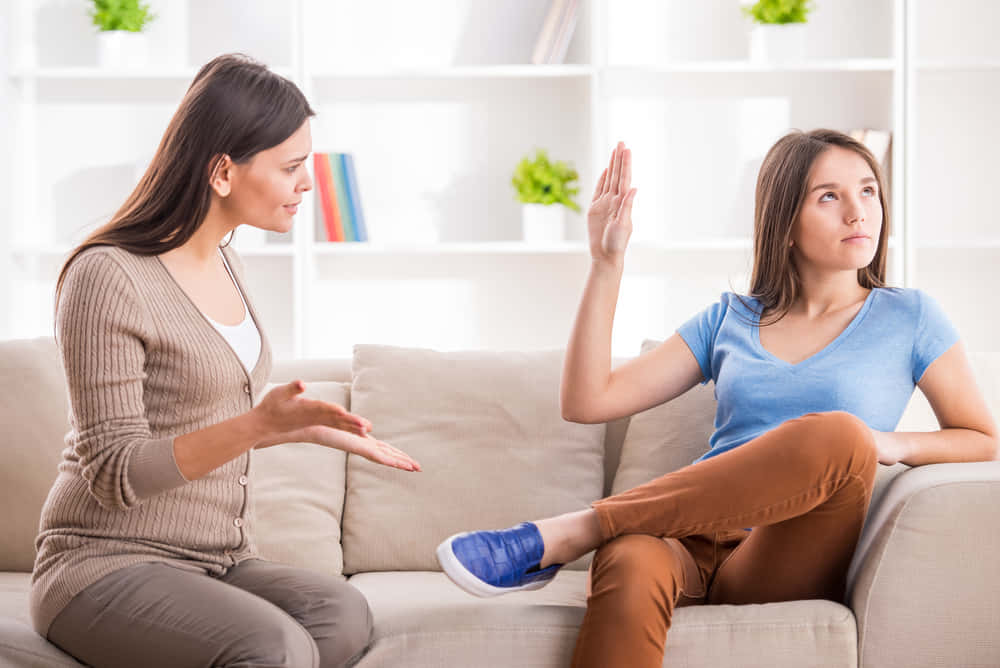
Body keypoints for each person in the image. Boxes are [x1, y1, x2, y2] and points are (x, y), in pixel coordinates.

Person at [436, 130, 998, 667]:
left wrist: (881, 442)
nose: (859, 212)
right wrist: (606, 263)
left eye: (868, 191)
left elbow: (982, 439)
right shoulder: (731, 319)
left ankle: (573, 530)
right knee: (630, 557)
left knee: (839, 433)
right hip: (685, 533)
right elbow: (588, 401)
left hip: (789, 545)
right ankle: (604, 532)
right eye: (830, 196)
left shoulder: (910, 317)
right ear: (784, 223)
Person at [31, 53, 421, 668]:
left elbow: (193, 417)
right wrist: (257, 426)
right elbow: (112, 472)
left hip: (216, 561)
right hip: (103, 563)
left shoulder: (228, 262)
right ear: (221, 172)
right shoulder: (107, 275)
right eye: (291, 167)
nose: (307, 184)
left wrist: (288, 428)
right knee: (275, 645)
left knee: (340, 614)